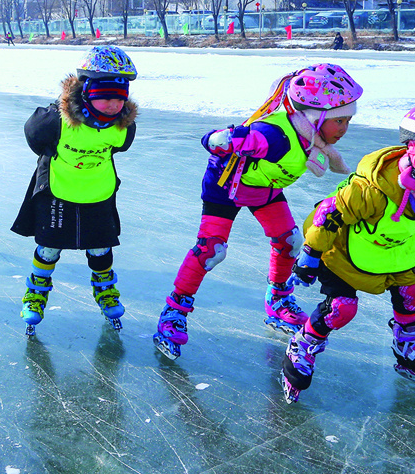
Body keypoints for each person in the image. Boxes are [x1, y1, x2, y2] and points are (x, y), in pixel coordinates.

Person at [153, 64, 363, 360]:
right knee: (211, 250)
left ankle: (278, 300)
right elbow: (223, 139)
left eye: (347, 121)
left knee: (289, 241)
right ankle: (174, 311)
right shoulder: (274, 136)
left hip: (264, 188)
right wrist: (220, 140)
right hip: (226, 187)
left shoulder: (309, 136)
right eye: (339, 121)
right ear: (316, 117)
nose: (343, 130)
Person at [281, 103, 415, 402]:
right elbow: (329, 213)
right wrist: (309, 256)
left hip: (392, 249)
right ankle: (304, 342)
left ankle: (407, 343)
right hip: (340, 248)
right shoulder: (372, 190)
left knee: (413, 290)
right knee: (342, 308)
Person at [11, 45, 139, 337]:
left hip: (98, 195)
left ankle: (105, 289)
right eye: (105, 97)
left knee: (100, 247)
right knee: (49, 247)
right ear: (87, 92)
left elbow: (123, 144)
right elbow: (34, 135)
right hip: (59, 194)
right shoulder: (55, 120)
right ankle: (36, 292)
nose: (112, 105)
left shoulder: (123, 126)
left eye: (119, 98)